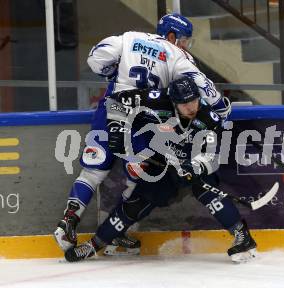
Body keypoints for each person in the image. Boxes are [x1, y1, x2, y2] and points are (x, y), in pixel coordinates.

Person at [54, 13, 231, 255]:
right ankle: (117, 234)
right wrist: (222, 108)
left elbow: (96, 59)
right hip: (143, 120)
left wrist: (112, 73)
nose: (186, 45)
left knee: (94, 170)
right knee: (140, 173)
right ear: (171, 35)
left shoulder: (128, 38)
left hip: (111, 109)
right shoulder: (178, 56)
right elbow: (207, 92)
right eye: (184, 39)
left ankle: (68, 222)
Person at [64, 76, 257, 263]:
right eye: (185, 104)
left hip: (192, 164)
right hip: (162, 162)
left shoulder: (209, 118)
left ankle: (242, 236)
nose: (191, 107)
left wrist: (194, 168)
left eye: (194, 101)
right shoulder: (157, 100)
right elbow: (115, 101)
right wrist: (116, 128)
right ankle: (94, 244)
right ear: (173, 102)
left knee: (204, 189)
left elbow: (212, 157)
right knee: (134, 204)